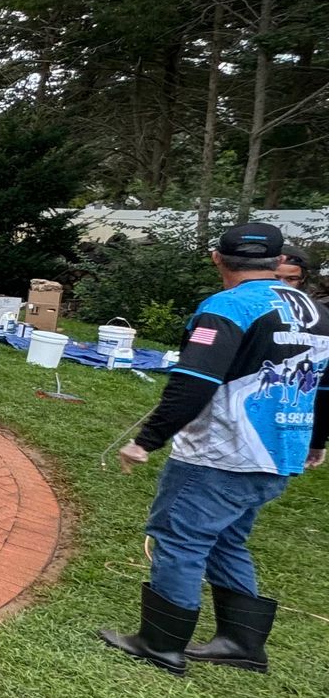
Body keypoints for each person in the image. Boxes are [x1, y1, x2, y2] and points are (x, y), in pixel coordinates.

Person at [100, 223, 328, 674]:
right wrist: (317, 439)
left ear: (217, 259)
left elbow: (194, 383)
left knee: (179, 537)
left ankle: (160, 643)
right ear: (277, 259)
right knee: (226, 538)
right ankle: (240, 642)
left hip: (223, 450)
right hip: (280, 449)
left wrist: (146, 441)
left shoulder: (228, 307)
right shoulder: (316, 311)